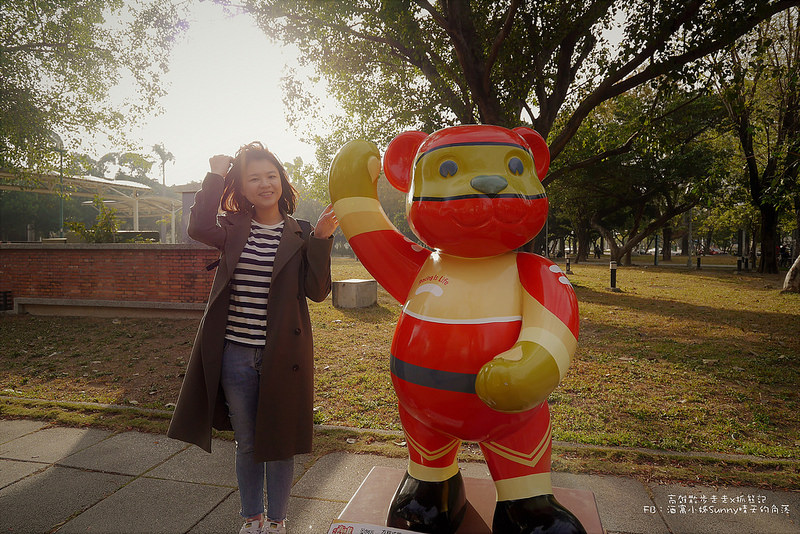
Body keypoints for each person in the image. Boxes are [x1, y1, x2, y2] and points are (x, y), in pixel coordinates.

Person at [167, 142, 337, 534]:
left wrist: (323, 239)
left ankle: (277, 521)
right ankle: (252, 519)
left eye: (271, 176)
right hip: (235, 355)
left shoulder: (302, 231)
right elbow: (196, 226)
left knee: (279, 443)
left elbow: (317, 291)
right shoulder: (232, 228)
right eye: (254, 178)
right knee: (247, 443)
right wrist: (214, 174)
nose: (265, 184)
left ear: (282, 181)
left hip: (284, 355)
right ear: (241, 188)